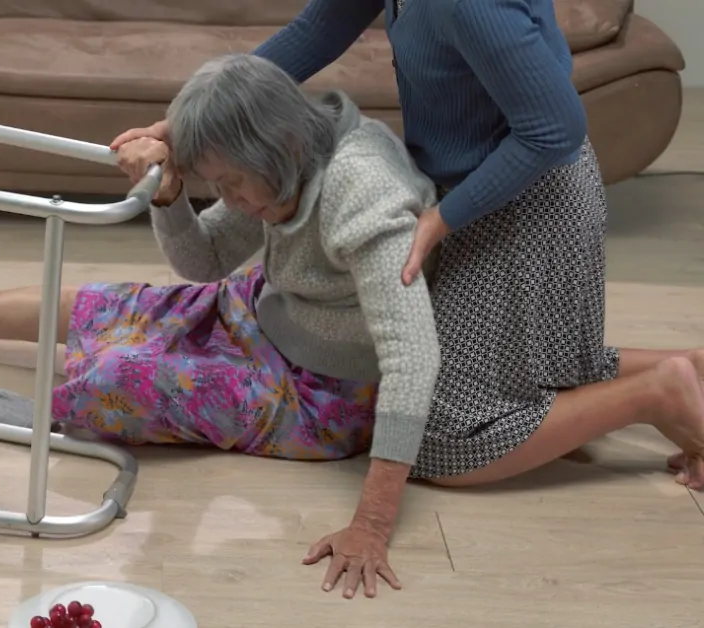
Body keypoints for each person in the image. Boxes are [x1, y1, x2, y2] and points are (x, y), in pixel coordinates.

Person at [108, 0, 704, 599]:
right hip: (468, 189)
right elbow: (317, 29)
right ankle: (687, 371)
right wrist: (188, 127)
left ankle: (655, 394)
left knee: (446, 441)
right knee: (523, 370)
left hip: (524, 202)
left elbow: (556, 130)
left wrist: (371, 523)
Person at [0, 53, 443, 559]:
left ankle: (4, 410)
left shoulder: (364, 192)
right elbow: (204, 263)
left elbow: (413, 358)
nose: (226, 197)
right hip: (263, 310)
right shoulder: (287, 157)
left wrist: (371, 523)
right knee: (101, 305)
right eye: (217, 184)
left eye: (229, 183)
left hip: (325, 394)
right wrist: (171, 193)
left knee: (121, 376)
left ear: (274, 145)